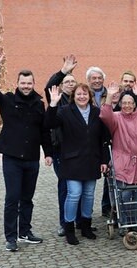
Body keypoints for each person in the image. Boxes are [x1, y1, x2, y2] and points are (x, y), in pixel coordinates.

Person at [0, 47, 53, 252]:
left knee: (27, 198)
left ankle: (25, 231)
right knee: (12, 197)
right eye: (22, 83)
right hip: (12, 158)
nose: (26, 86)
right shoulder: (6, 100)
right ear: (17, 84)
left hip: (32, 158)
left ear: (33, 84)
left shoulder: (39, 105)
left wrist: (48, 153)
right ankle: (11, 237)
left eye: (29, 83)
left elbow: (44, 132)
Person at [45, 84, 109, 245]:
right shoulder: (65, 111)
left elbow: (103, 138)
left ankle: (86, 226)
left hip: (91, 160)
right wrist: (53, 104)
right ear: (74, 96)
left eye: (85, 94)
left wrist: (104, 160)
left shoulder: (96, 112)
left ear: (90, 96)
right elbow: (49, 123)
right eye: (79, 94)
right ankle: (69, 228)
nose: (82, 97)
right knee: (74, 194)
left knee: (88, 195)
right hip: (72, 161)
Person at [100, 82, 137, 227]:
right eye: (124, 103)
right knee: (123, 196)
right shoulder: (116, 117)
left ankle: (135, 222)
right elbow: (104, 116)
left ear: (134, 104)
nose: (127, 105)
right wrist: (109, 96)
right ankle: (124, 223)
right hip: (122, 163)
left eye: (130, 102)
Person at [44, 54, 81, 237]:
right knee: (66, 187)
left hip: (80, 151)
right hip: (61, 151)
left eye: (73, 82)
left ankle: (80, 221)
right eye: (67, 81)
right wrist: (63, 71)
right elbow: (49, 85)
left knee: (80, 186)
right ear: (61, 85)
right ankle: (64, 223)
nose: (70, 84)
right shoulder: (57, 99)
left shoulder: (81, 100)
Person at [86, 66, 112, 218]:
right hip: (90, 141)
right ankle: (85, 214)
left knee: (110, 175)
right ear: (88, 80)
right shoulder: (83, 94)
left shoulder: (109, 94)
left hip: (107, 137)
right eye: (93, 78)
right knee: (87, 179)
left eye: (99, 78)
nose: (97, 81)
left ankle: (107, 206)